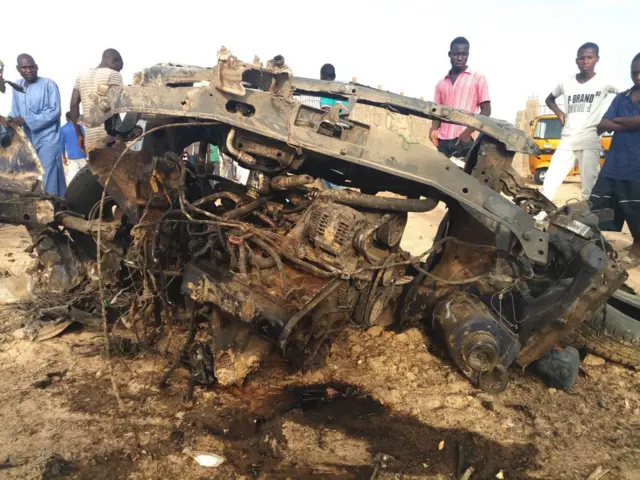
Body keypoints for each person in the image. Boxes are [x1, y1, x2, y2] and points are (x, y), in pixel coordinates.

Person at [540, 42, 618, 201]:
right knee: (549, 182)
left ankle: (585, 221)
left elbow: (624, 96)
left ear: (597, 59)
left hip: (589, 140)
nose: (585, 61)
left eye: (589, 57)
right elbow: (549, 99)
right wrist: (559, 112)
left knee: (589, 189)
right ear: (576, 61)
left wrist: (609, 119)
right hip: (567, 140)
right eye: (581, 58)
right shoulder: (566, 82)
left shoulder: (604, 82)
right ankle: (538, 216)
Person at [590, 53, 640, 265]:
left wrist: (616, 121)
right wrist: (630, 122)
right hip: (613, 163)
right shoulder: (621, 97)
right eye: (634, 72)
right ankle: (600, 249)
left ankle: (637, 250)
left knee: (635, 209)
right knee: (599, 207)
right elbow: (602, 124)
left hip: (637, 164)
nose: (638, 77)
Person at [7, 54, 65, 196]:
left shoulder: (48, 84)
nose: (28, 70)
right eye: (24, 67)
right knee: (28, 178)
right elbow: (14, 111)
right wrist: (8, 122)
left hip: (48, 139)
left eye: (31, 67)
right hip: (27, 139)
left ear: (36, 67)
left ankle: (54, 209)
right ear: (18, 69)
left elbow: (54, 112)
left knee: (49, 174)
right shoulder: (17, 86)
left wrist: (26, 120)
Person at [429, 37, 491, 159]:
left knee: (463, 177)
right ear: (449, 54)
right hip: (443, 141)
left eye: (463, 54)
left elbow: (486, 110)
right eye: (456, 54)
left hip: (464, 142)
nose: (460, 58)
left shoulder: (478, 79)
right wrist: (433, 129)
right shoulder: (441, 84)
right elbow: (436, 112)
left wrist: (466, 133)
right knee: (440, 177)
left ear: (468, 55)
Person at [70, 49, 124, 154]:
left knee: (95, 168)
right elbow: (115, 104)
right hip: (110, 138)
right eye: (119, 68)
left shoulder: (81, 76)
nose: (119, 71)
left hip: (90, 137)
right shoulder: (113, 75)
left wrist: (79, 135)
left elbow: (73, 104)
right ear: (115, 61)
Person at [59, 111, 87, 184]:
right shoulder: (79, 126)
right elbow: (85, 139)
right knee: (85, 174)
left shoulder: (62, 129)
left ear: (66, 119)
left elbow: (61, 145)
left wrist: (64, 157)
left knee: (74, 176)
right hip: (82, 154)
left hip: (71, 156)